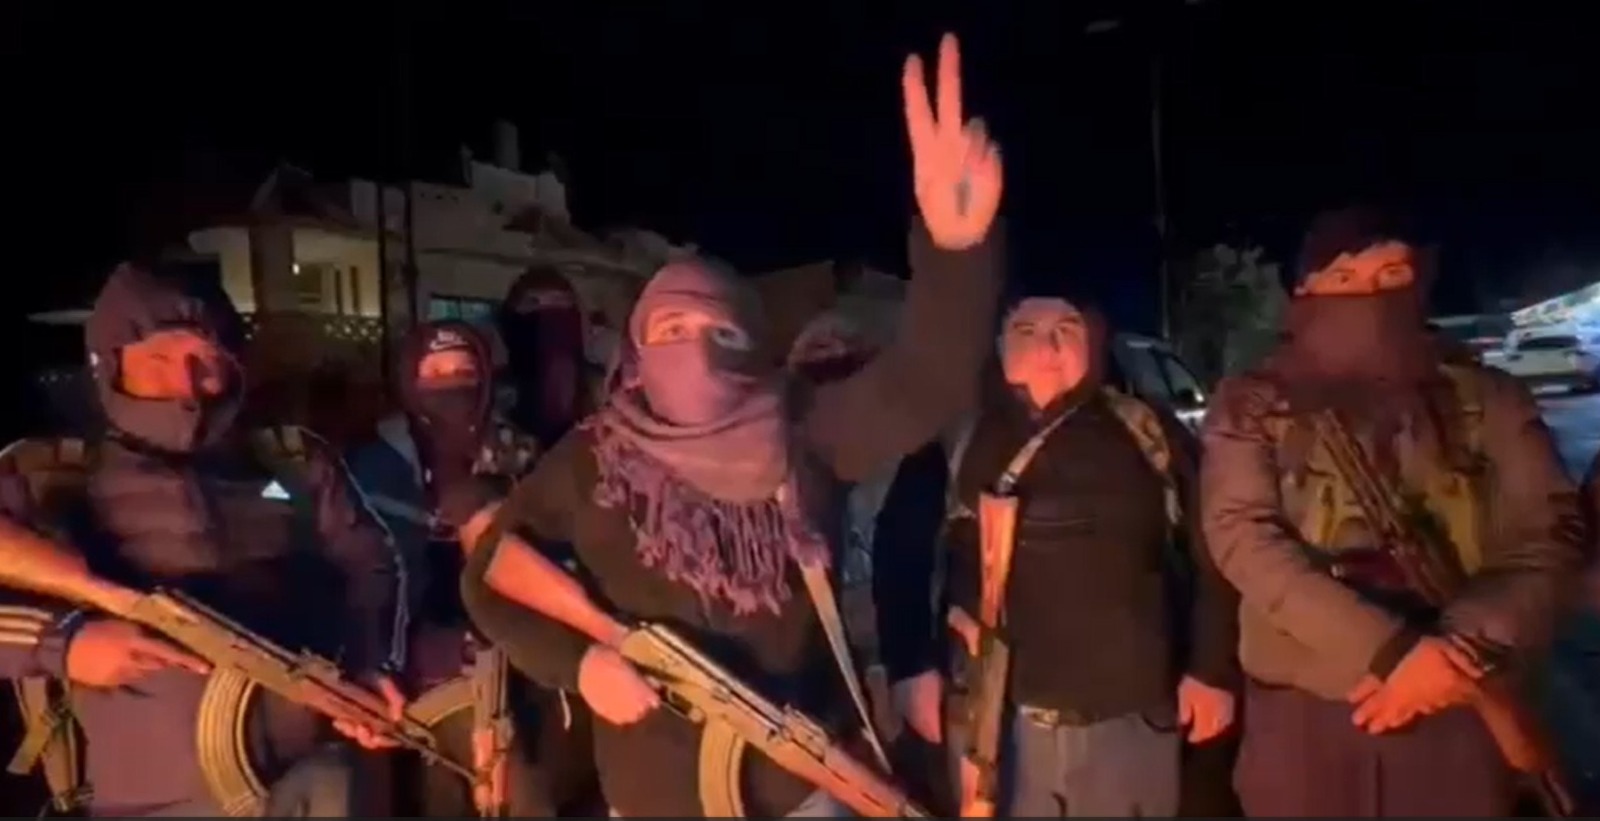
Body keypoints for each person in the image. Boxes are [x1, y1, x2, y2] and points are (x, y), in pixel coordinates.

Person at [455, 33, 1003, 818]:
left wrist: (955, 252)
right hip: (654, 796)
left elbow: (928, 379)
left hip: (800, 786)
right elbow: (490, 576)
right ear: (637, 353)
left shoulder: (804, 430)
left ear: (757, 347)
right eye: (672, 329)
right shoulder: (592, 459)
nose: (698, 348)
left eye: (724, 331)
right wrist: (582, 663)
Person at [1201, 206, 1588, 817]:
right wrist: (1389, 651)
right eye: (1345, 279)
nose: (1369, 296)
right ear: (1307, 291)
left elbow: (1549, 533)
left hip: (1459, 702)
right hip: (1308, 717)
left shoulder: (1486, 397)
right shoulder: (1253, 404)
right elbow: (1243, 535)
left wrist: (1452, 652)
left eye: (1391, 275)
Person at [0, 263, 407, 817]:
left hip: (307, 780)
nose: (187, 385)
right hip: (141, 801)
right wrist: (65, 643)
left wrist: (369, 663)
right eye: (159, 360)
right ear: (111, 364)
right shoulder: (45, 474)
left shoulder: (291, 462)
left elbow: (370, 563)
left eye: (206, 362)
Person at [876, 291, 1239, 818]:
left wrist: (1211, 670)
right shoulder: (957, 439)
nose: (1048, 348)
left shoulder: (1148, 432)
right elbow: (899, 552)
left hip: (1132, 720)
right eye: (1026, 331)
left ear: (1094, 340)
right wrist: (910, 666)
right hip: (996, 724)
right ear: (998, 344)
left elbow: (1212, 550)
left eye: (1066, 329)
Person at [346, 319, 596, 816]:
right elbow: (368, 567)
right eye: (435, 373)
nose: (451, 387)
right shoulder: (375, 465)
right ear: (407, 382)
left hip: (518, 656)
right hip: (409, 668)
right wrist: (393, 653)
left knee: (523, 787)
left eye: (463, 372)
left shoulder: (521, 453)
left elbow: (554, 554)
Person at [498, 265, 593, 447]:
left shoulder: (606, 403)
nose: (550, 321)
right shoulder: (491, 406)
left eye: (560, 304)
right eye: (532, 304)